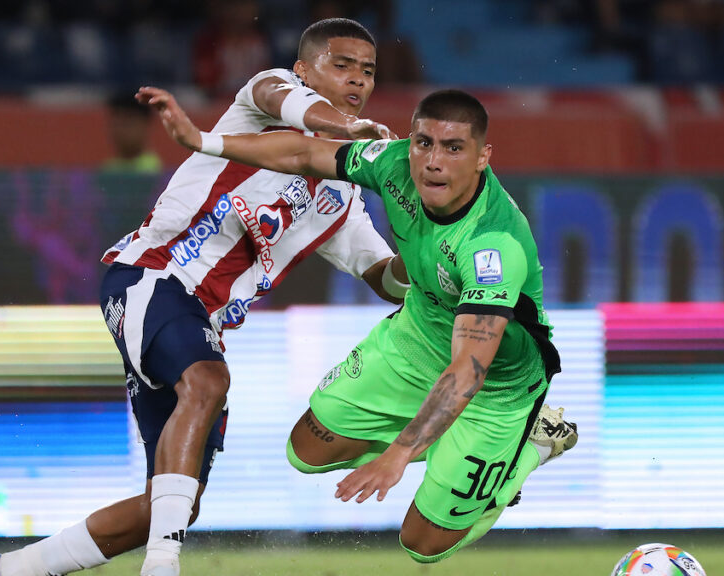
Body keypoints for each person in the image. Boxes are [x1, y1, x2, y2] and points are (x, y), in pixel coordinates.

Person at [0, 18, 408, 576]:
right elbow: (298, 110)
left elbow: (383, 277)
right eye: (341, 65)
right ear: (303, 69)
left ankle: (8, 571)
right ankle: (162, 568)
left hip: (202, 321)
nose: (356, 80)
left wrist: (425, 262)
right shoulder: (266, 94)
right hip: (149, 275)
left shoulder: (343, 200)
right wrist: (356, 127)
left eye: (367, 72)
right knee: (208, 381)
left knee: (172, 503)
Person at [138, 85, 579, 563]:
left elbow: (468, 372)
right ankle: (447, 446)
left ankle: (531, 445)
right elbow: (305, 151)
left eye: (454, 148)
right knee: (304, 452)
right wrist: (204, 141)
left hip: (496, 388)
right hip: (414, 341)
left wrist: (398, 456)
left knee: (422, 545)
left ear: (482, 157)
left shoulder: (493, 245)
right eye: (424, 142)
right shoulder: (391, 164)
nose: (433, 161)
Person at [101, 93, 163, 174]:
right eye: (117, 122)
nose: (120, 129)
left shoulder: (155, 170)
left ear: (144, 124)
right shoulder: (107, 170)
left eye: (127, 122)